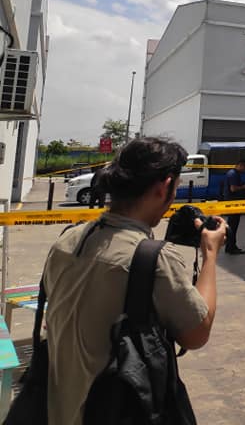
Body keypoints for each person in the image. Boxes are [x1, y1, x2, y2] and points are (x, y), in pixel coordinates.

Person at [42, 137, 227, 425]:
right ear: (164, 187)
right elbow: (197, 333)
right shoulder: (153, 259)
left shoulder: (67, 240)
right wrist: (210, 255)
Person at [223, 159, 245, 254]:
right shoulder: (233, 174)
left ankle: (230, 246)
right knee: (233, 225)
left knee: (232, 225)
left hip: (233, 202)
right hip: (233, 202)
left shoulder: (234, 173)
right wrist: (244, 187)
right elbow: (233, 189)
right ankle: (231, 247)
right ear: (240, 165)